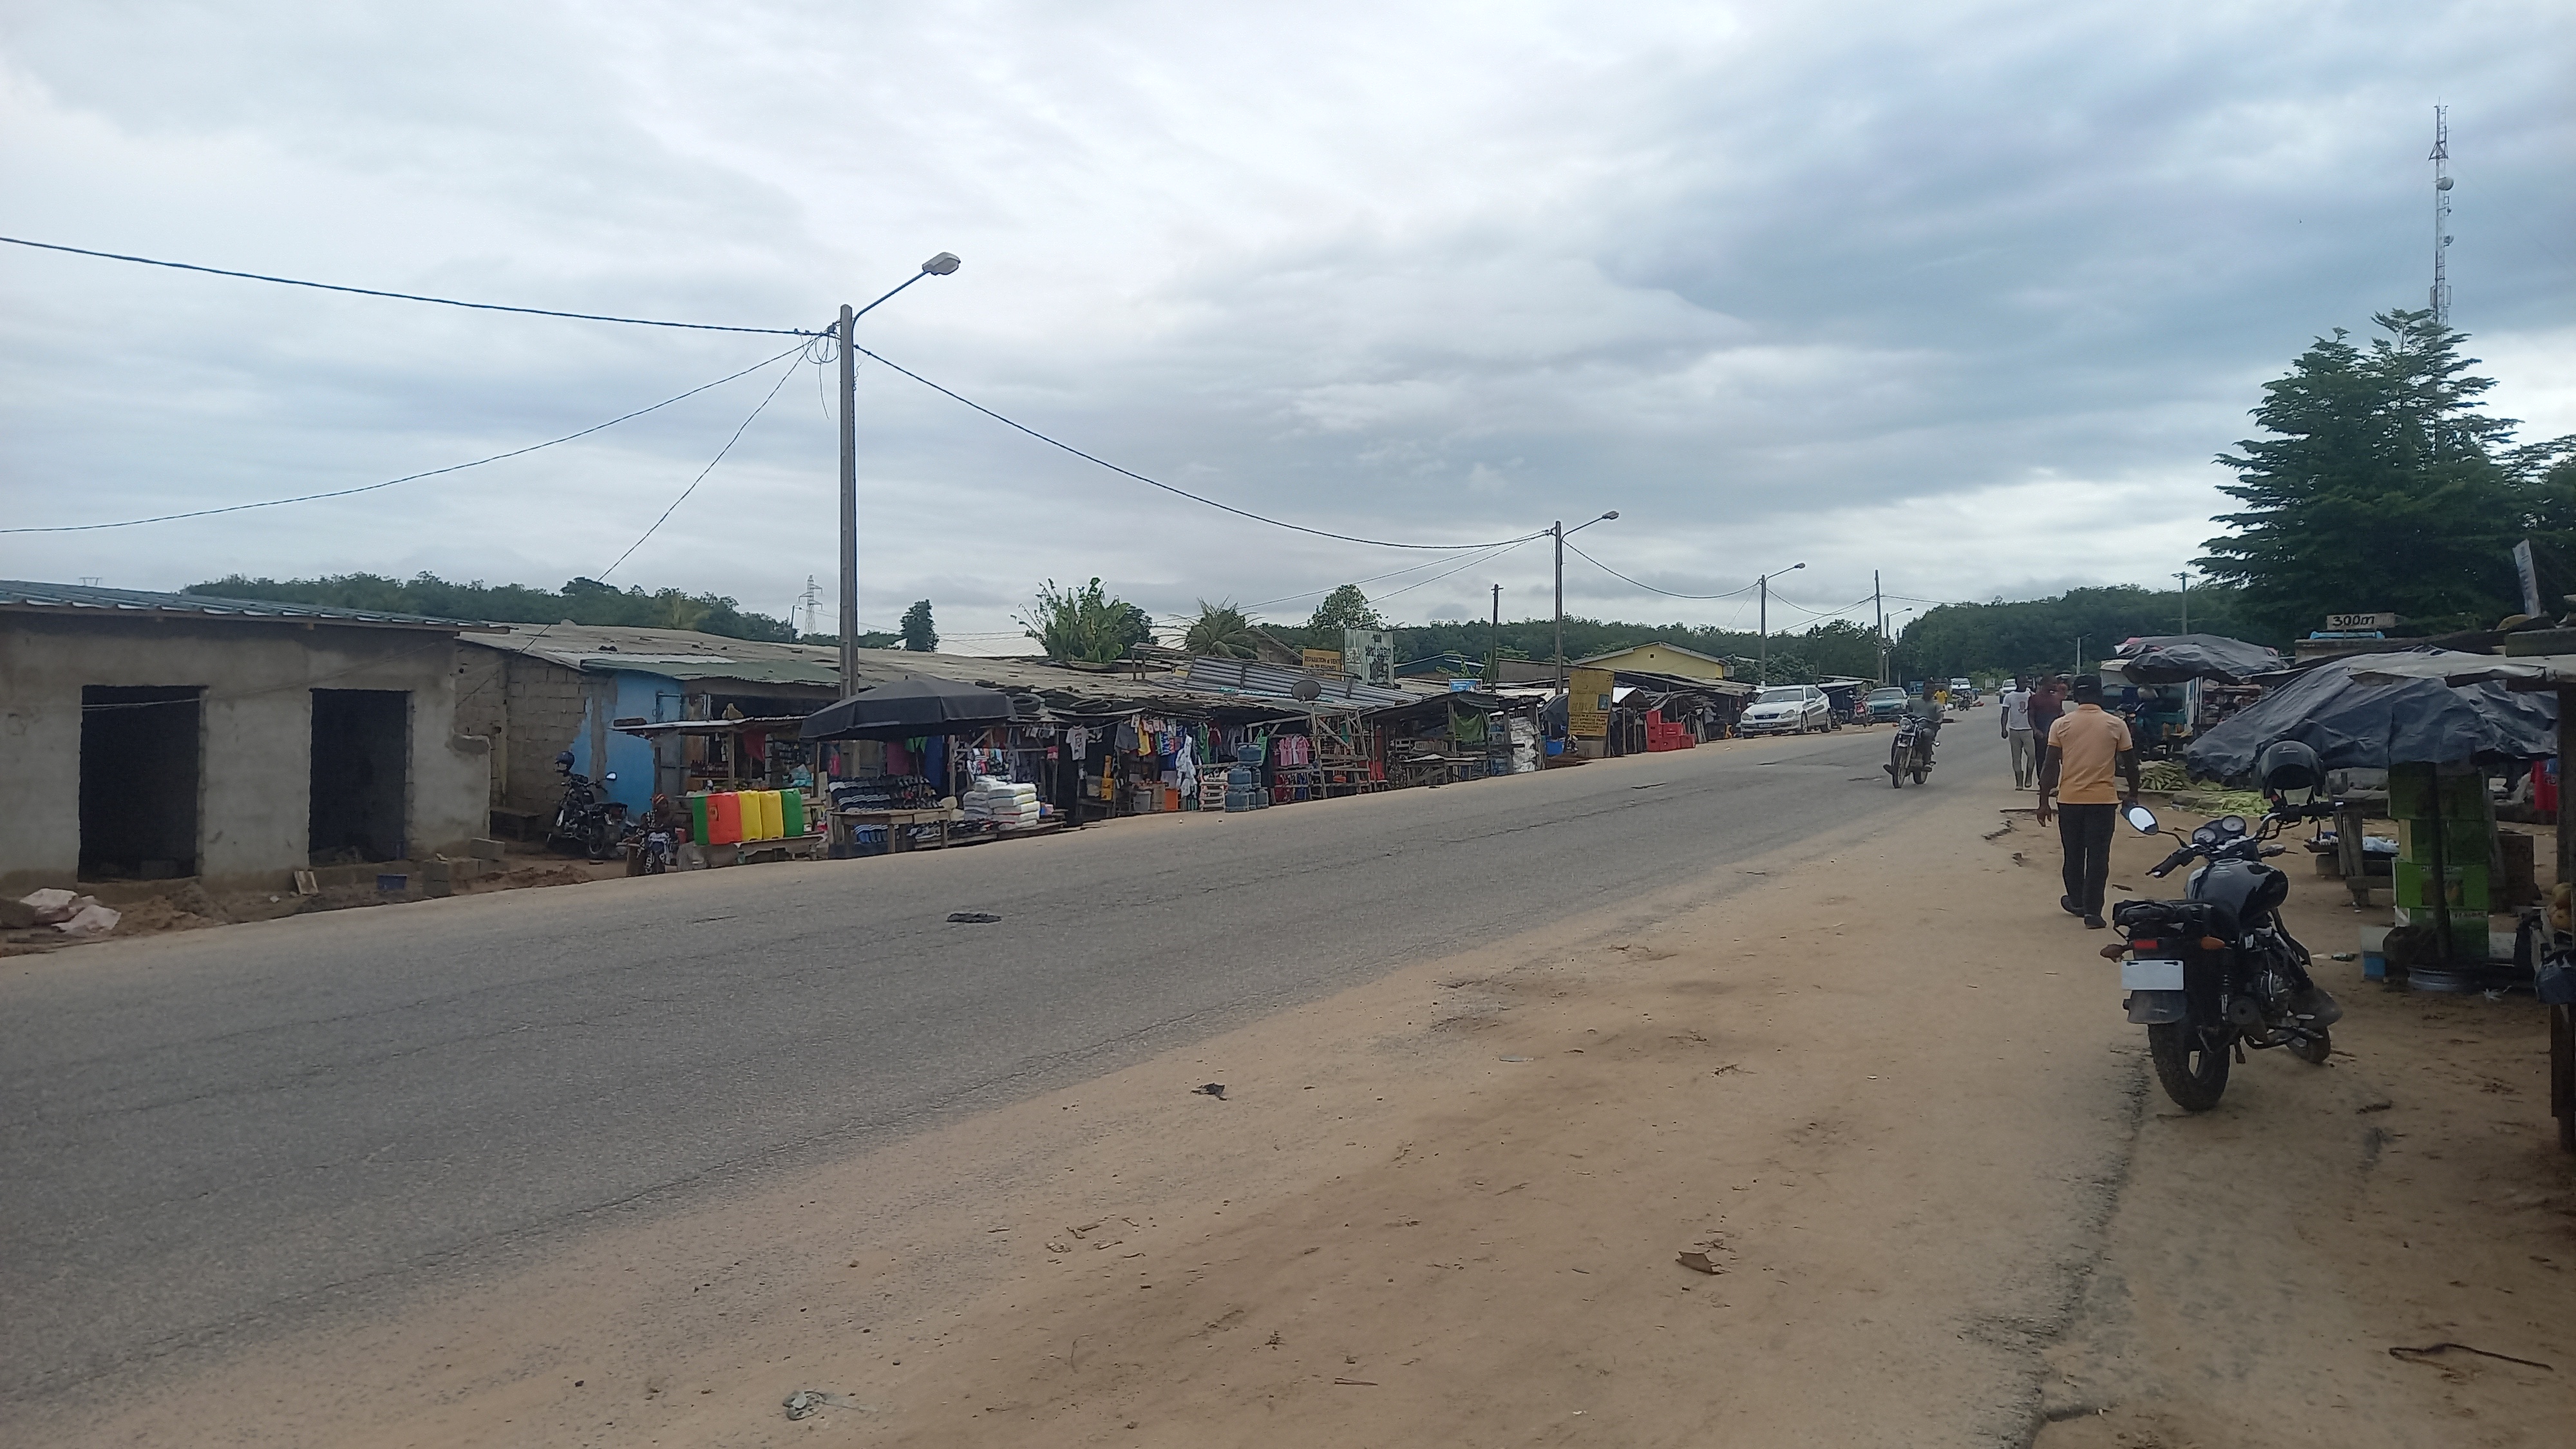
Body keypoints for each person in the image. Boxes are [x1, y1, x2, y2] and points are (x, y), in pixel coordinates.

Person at [2036, 675, 2140, 929]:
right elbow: (2130, 764)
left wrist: (2043, 802)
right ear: (2100, 695)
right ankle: (2093, 912)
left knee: (2073, 855)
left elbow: (2050, 766)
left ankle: (2077, 901)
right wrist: (2133, 795)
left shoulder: (2061, 725)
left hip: (2069, 800)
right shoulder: (2116, 725)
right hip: (2103, 802)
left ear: (2075, 696)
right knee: (2098, 857)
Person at [1999, 677, 2037, 789]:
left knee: (2032, 755)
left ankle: (2029, 776)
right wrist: (2004, 728)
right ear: (2017, 683)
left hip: (2028, 729)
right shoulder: (2010, 696)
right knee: (2016, 758)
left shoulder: (2031, 695)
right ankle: (2019, 782)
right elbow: (2005, 713)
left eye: (2026, 682)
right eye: (2022, 682)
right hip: (2014, 730)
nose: (2024, 684)